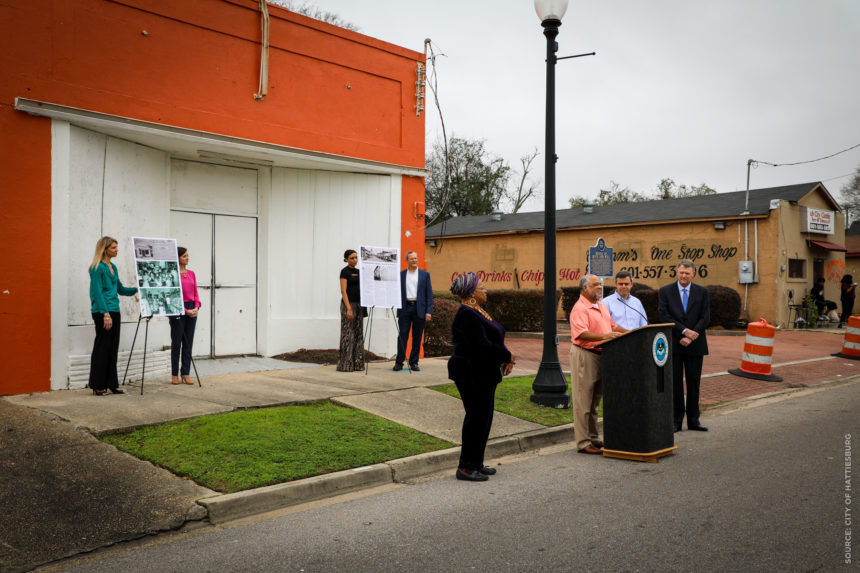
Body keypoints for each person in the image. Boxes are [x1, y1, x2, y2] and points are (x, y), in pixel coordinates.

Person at [448, 273, 515, 481]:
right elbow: (480, 345)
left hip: (484, 372)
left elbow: (493, 337)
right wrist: (507, 356)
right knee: (476, 419)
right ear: (472, 293)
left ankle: (476, 462)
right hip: (471, 373)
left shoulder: (477, 311)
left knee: (484, 419)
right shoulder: (467, 314)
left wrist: (505, 356)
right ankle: (466, 467)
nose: (486, 290)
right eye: (482, 287)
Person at [569, 274, 627, 454]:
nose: (599, 288)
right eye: (595, 285)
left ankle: (593, 438)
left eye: (600, 285)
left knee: (594, 401)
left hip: (602, 355)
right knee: (583, 401)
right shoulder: (579, 308)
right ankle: (583, 442)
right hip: (585, 355)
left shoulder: (601, 306)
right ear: (584, 288)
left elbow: (613, 327)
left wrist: (633, 333)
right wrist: (605, 336)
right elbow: (582, 334)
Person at [658, 259, 710, 432]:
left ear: (693, 274)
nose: (683, 276)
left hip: (695, 344)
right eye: (681, 272)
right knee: (675, 384)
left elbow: (705, 317)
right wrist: (684, 331)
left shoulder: (702, 292)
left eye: (687, 273)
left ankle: (694, 420)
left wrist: (692, 335)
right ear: (676, 272)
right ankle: (676, 421)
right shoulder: (665, 291)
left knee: (694, 383)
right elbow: (664, 315)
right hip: (675, 342)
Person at [88, 236, 138, 396]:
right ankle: (98, 385)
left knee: (112, 348)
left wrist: (138, 288)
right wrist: (105, 314)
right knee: (102, 349)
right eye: (114, 248)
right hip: (103, 313)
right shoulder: (97, 268)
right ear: (105, 249)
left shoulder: (113, 267)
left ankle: (112, 384)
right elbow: (97, 292)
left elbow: (121, 289)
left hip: (114, 311)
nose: (117, 250)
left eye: (117, 247)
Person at [394, 251, 434, 372]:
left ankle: (414, 363)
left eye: (416, 258)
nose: (414, 260)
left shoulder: (425, 275)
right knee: (402, 336)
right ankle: (399, 362)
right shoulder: (400, 275)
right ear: (407, 260)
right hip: (405, 308)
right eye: (412, 258)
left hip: (419, 309)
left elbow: (429, 295)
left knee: (417, 337)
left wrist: (428, 311)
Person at [168, 247, 201, 385]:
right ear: (178, 258)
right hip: (177, 309)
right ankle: (174, 374)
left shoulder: (192, 273)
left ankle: (185, 373)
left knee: (188, 343)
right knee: (177, 342)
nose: (187, 258)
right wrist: (184, 310)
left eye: (188, 256)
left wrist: (196, 307)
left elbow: (195, 293)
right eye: (184, 256)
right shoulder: (171, 274)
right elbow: (171, 295)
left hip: (191, 308)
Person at [337, 249, 365, 372]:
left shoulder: (360, 272)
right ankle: (345, 364)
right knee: (348, 334)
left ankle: (358, 363)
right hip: (349, 305)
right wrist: (348, 308)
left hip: (360, 305)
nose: (355, 260)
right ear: (346, 259)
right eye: (352, 258)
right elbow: (343, 291)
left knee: (358, 333)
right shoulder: (344, 272)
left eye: (356, 257)